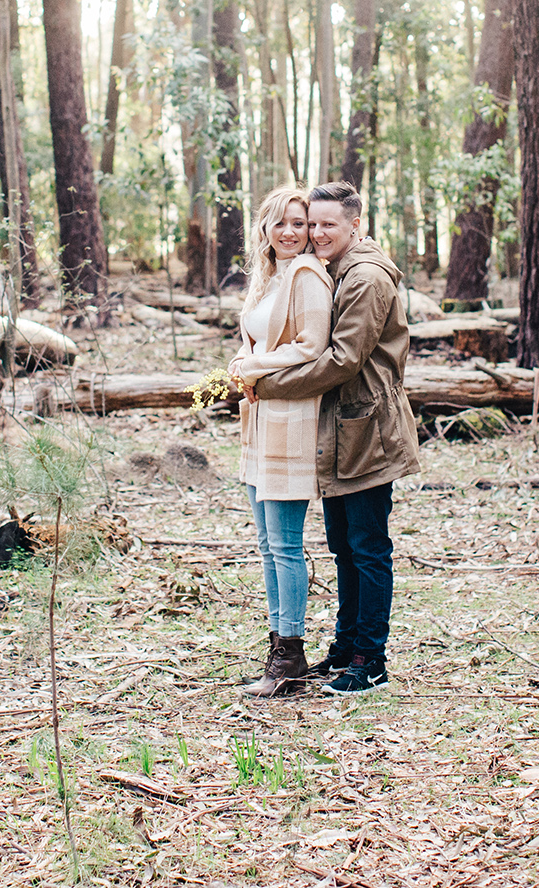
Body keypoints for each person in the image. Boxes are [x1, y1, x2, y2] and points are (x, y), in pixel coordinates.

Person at [247, 180, 419, 695]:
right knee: (345, 546)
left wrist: (268, 383)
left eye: (328, 225)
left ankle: (371, 659)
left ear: (354, 225)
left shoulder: (365, 276)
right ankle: (345, 649)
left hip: (370, 429)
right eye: (313, 223)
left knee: (368, 547)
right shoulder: (336, 269)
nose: (317, 233)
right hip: (344, 427)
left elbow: (344, 360)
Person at [229, 187, 334, 698]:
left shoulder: (308, 275)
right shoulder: (268, 278)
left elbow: (313, 346)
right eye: (282, 223)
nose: (292, 232)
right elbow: (260, 340)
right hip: (259, 421)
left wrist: (253, 366)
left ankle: (290, 654)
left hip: (292, 419)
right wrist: (239, 363)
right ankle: (277, 648)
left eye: (300, 223)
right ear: (265, 230)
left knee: (286, 545)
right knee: (267, 546)